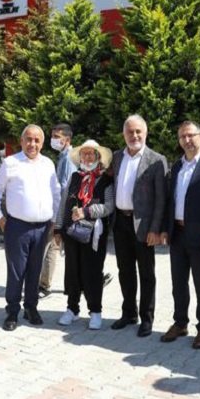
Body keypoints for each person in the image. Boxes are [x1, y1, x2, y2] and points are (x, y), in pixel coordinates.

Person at [0, 124, 61, 332]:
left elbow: (56, 193)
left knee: (35, 270)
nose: (32, 144)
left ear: (42, 143)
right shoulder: (11, 163)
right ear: (21, 141)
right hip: (17, 227)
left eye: (37, 140)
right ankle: (12, 311)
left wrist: (55, 220)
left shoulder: (48, 164)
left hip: (43, 228)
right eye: (28, 139)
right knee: (16, 271)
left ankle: (31, 308)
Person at [160, 121, 200, 350]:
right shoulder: (176, 166)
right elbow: (170, 200)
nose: (186, 140)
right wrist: (165, 228)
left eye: (190, 135)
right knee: (178, 282)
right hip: (178, 234)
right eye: (182, 137)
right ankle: (180, 323)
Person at [110, 114, 168, 337]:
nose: (134, 136)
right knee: (125, 271)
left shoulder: (156, 160)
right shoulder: (117, 157)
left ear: (146, 133)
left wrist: (155, 229)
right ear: (123, 134)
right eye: (130, 132)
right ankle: (129, 313)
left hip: (144, 225)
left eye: (138, 132)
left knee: (146, 273)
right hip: (121, 222)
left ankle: (147, 318)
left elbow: (161, 199)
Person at [54, 139, 115, 330]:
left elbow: (109, 206)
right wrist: (58, 228)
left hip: (94, 234)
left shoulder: (105, 180)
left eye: (91, 153)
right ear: (80, 157)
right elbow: (64, 203)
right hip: (72, 233)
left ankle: (95, 311)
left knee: (93, 272)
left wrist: (87, 212)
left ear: (98, 157)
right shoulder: (75, 177)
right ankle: (72, 308)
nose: (87, 157)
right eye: (84, 153)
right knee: (72, 271)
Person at [40, 123, 74, 298]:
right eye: (52, 136)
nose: (53, 140)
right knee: (56, 247)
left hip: (63, 211)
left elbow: (65, 189)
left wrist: (58, 217)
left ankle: (44, 285)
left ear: (66, 139)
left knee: (51, 246)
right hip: (62, 211)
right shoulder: (63, 157)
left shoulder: (68, 159)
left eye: (56, 137)